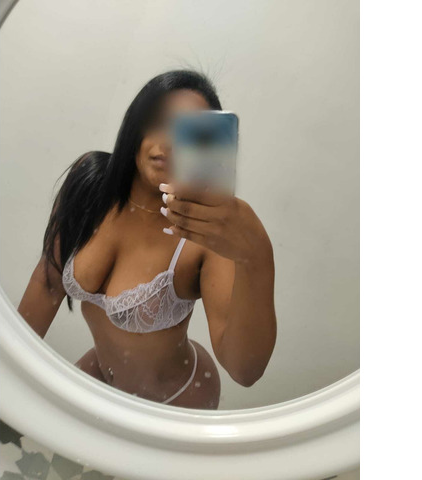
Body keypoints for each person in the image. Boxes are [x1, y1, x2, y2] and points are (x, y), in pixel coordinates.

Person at [18, 70, 276, 409]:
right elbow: (48, 284)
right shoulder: (90, 183)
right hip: (99, 374)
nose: (168, 140)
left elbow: (244, 370)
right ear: (136, 125)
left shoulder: (205, 235)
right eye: (159, 121)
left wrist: (256, 256)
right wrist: (8, 374)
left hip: (177, 398)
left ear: (210, 146)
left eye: (188, 132)